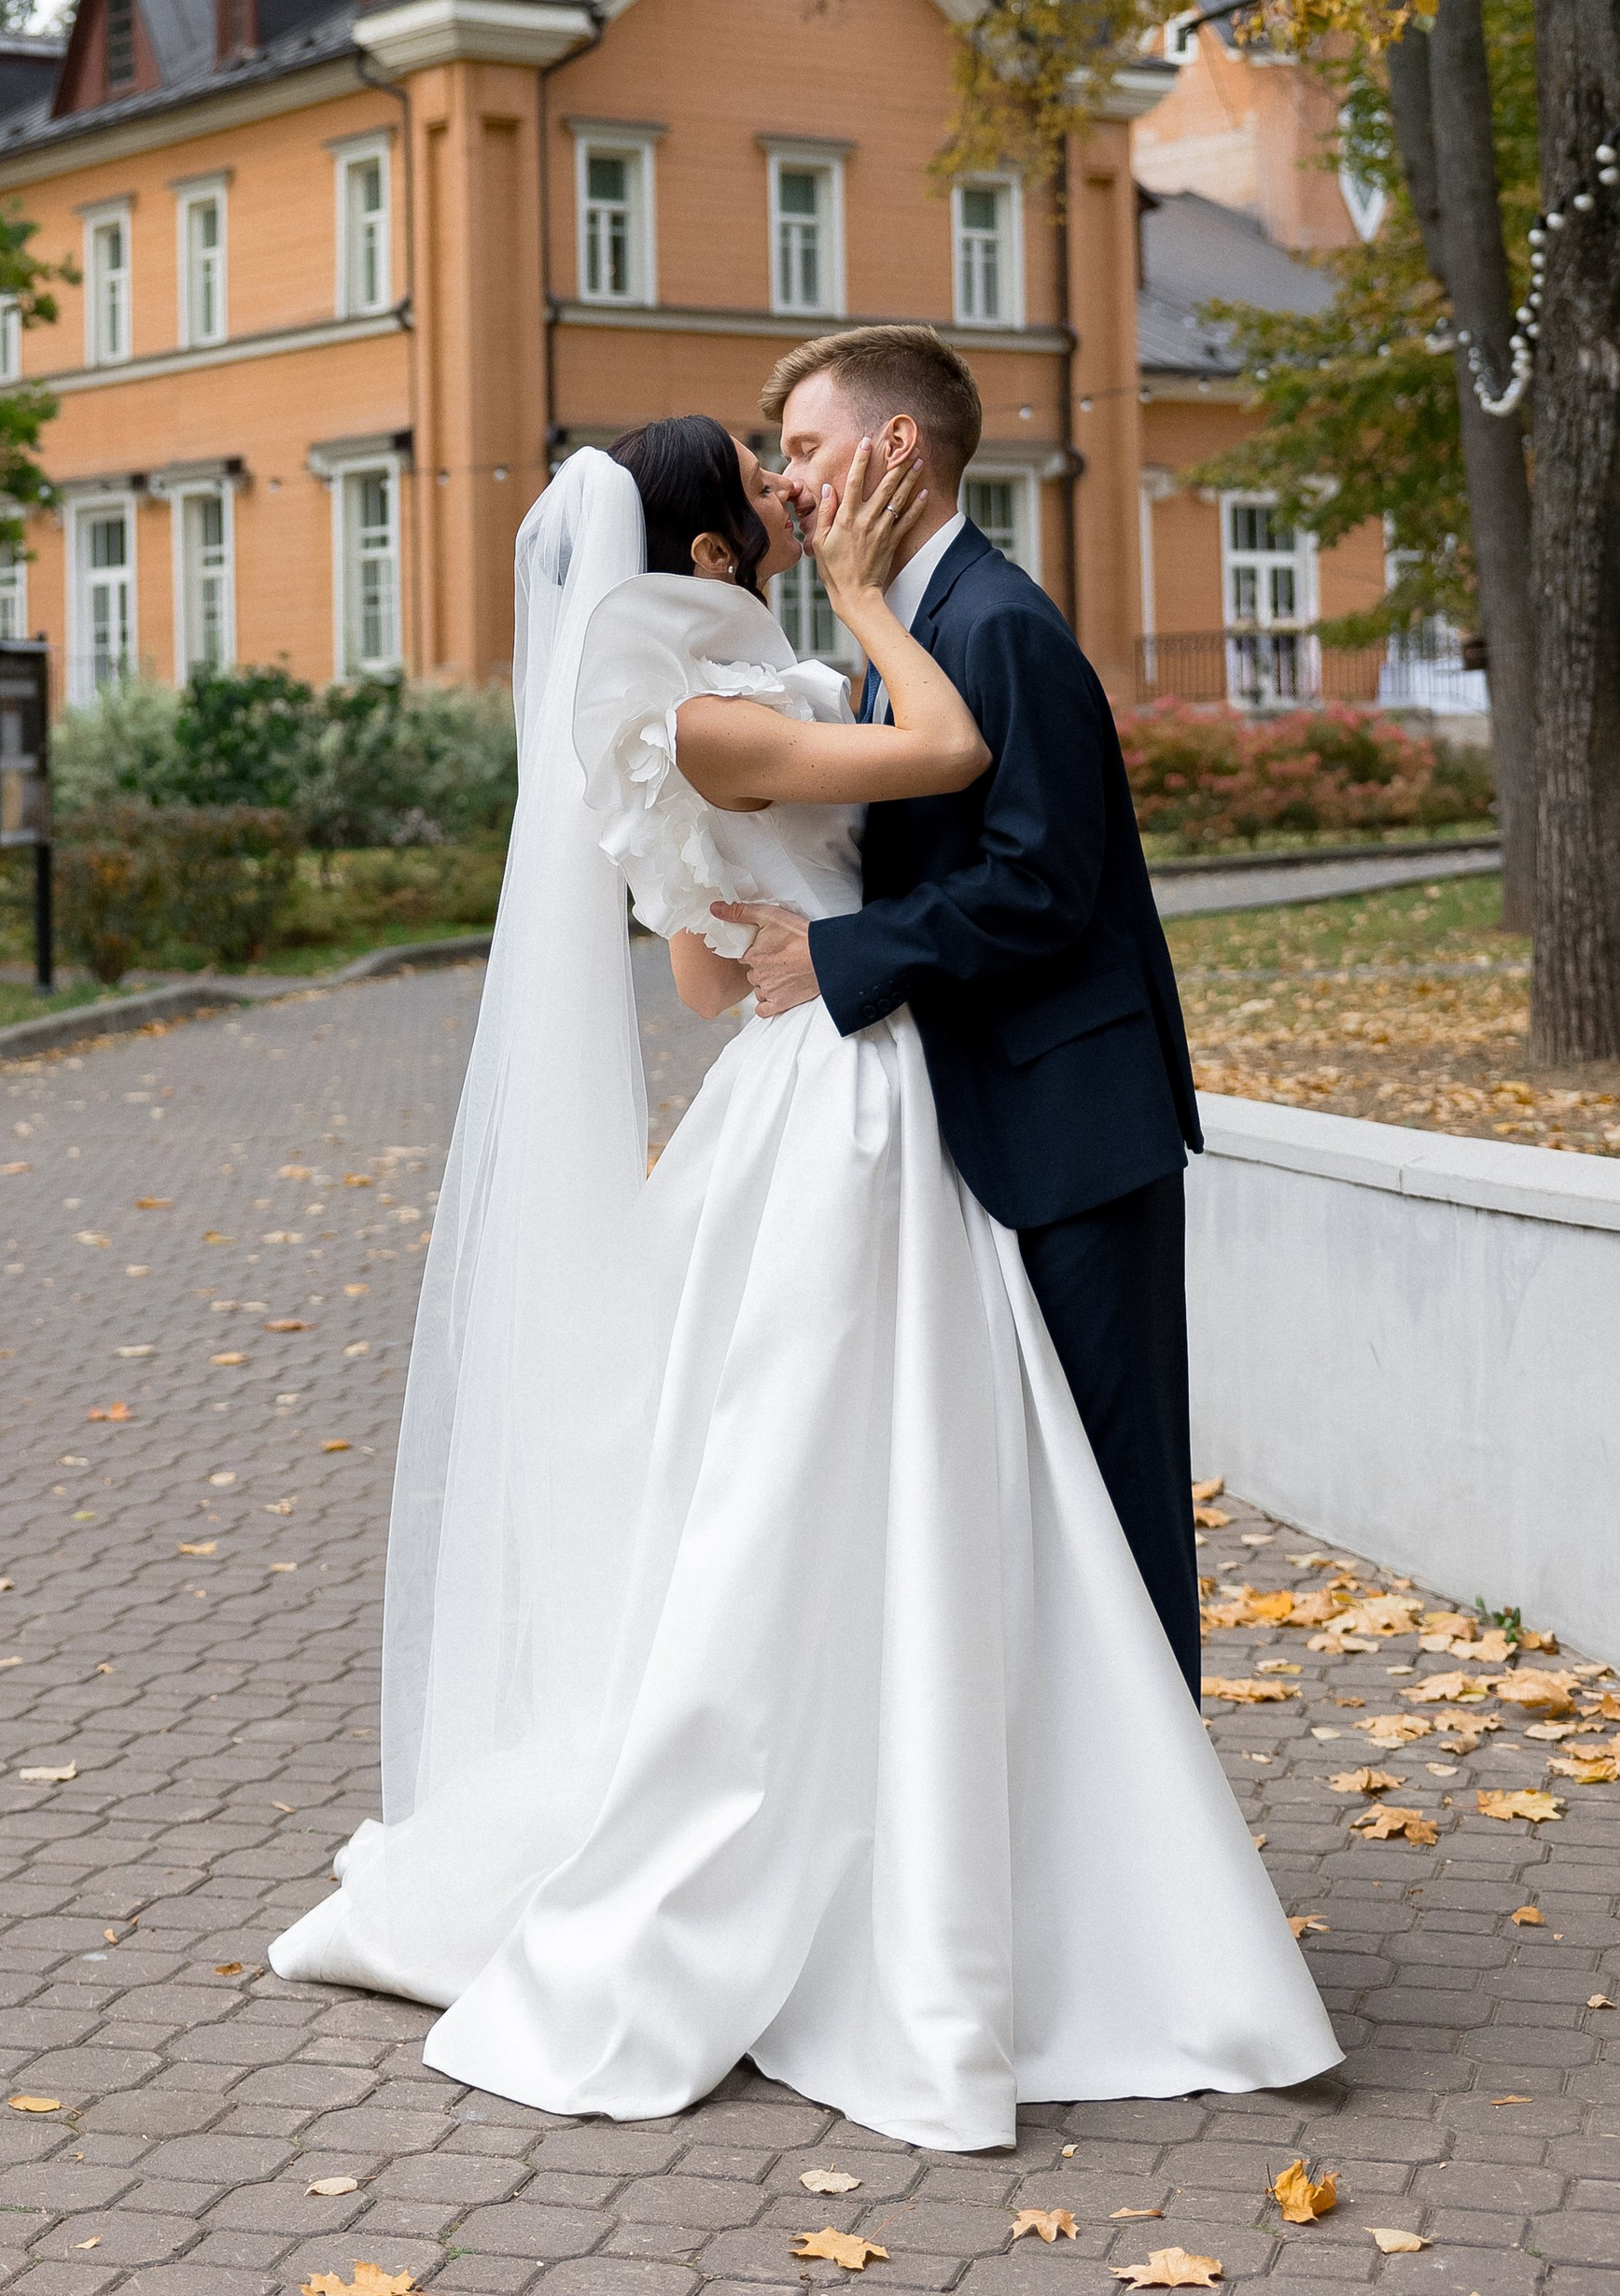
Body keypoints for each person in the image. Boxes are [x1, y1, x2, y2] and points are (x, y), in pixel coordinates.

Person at [267, 415, 1336, 2149]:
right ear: (711, 554)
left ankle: (925, 1833)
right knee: (826, 1479)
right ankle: (854, 1873)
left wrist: (783, 888)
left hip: (813, 1068)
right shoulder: (708, 714)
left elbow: (699, 987)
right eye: (769, 485)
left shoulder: (675, 706)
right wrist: (858, 609)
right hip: (842, 1098)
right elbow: (946, 749)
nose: (795, 491)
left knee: (849, 1484)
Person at [729, 326, 1206, 1688]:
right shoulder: (909, 629)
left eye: (808, 450)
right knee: (1033, 1508)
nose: (791, 480)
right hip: (994, 1119)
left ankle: (1165, 1882)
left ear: (898, 449)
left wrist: (840, 958)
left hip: (1073, 1133)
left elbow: (1044, 886)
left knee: (1113, 1506)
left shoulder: (997, 624)